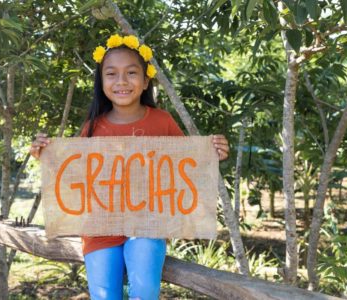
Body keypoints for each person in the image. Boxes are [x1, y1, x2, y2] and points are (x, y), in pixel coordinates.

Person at [30, 34, 229, 300]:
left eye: (131, 73)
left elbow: (188, 166)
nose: (122, 81)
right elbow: (74, 176)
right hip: (100, 229)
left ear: (146, 80)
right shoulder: (92, 127)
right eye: (111, 74)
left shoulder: (162, 121)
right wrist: (44, 155)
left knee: (145, 291)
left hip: (147, 226)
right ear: (102, 83)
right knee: (104, 295)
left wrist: (213, 153)